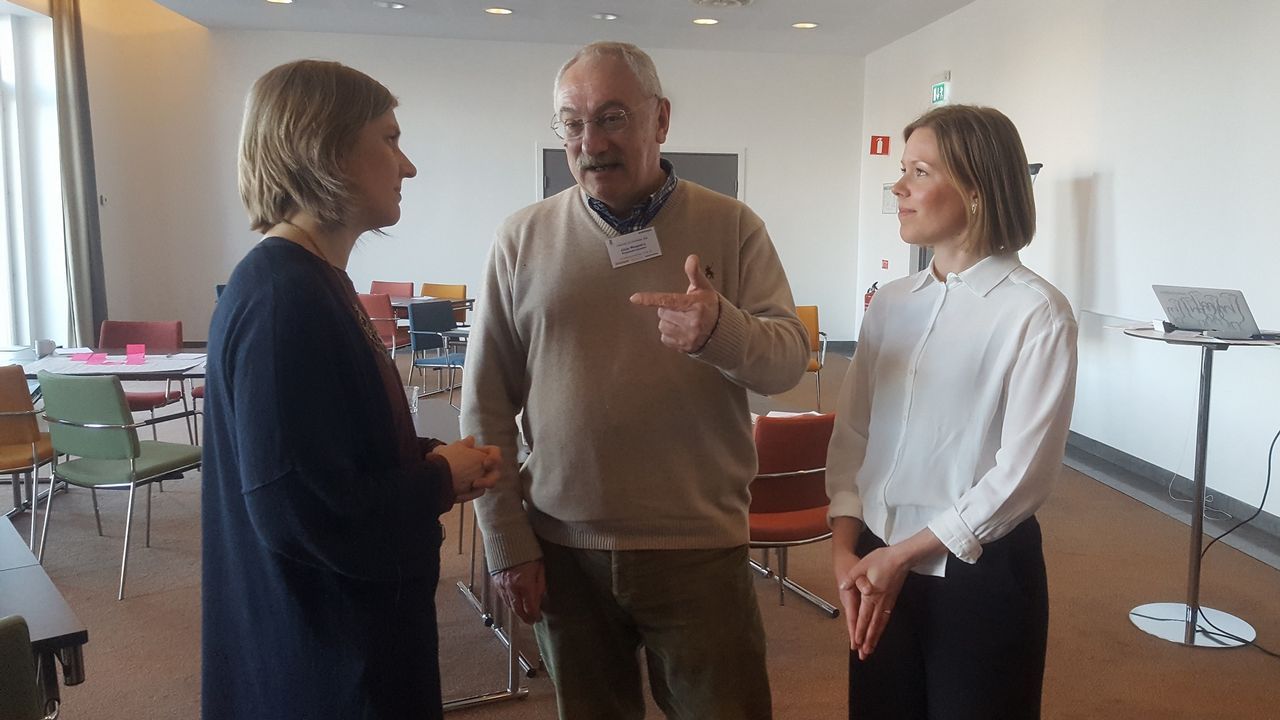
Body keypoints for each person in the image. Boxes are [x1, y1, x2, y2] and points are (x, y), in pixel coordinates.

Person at [460, 41, 809, 720]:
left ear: (661, 121)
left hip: (699, 550)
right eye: (571, 122)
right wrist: (505, 541)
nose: (590, 142)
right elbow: (487, 405)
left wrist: (719, 331)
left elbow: (788, 360)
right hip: (564, 551)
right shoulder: (520, 239)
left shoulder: (732, 227)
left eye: (612, 117)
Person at [201, 59, 501, 720]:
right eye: (389, 139)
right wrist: (434, 481)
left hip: (344, 642)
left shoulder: (310, 282)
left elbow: (329, 447)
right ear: (325, 149)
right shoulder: (285, 299)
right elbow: (301, 508)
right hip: (328, 662)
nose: (408, 166)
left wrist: (432, 460)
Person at [826, 105, 1077, 720]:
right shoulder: (890, 304)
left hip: (978, 571)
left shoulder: (1035, 312)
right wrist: (844, 550)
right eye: (901, 170)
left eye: (919, 171)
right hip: (875, 558)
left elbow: (1024, 474)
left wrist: (905, 554)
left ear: (975, 187)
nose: (899, 187)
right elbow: (854, 431)